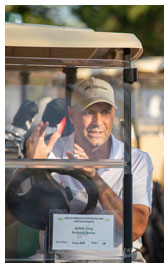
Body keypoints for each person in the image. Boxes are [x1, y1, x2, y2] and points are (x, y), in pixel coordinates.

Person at [24, 77, 153, 262]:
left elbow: (135, 229)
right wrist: (30, 168)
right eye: (89, 112)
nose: (98, 121)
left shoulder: (137, 160)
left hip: (118, 259)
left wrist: (95, 178)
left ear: (114, 115)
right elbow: (8, 213)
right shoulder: (50, 152)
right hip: (57, 258)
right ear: (72, 115)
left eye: (105, 112)